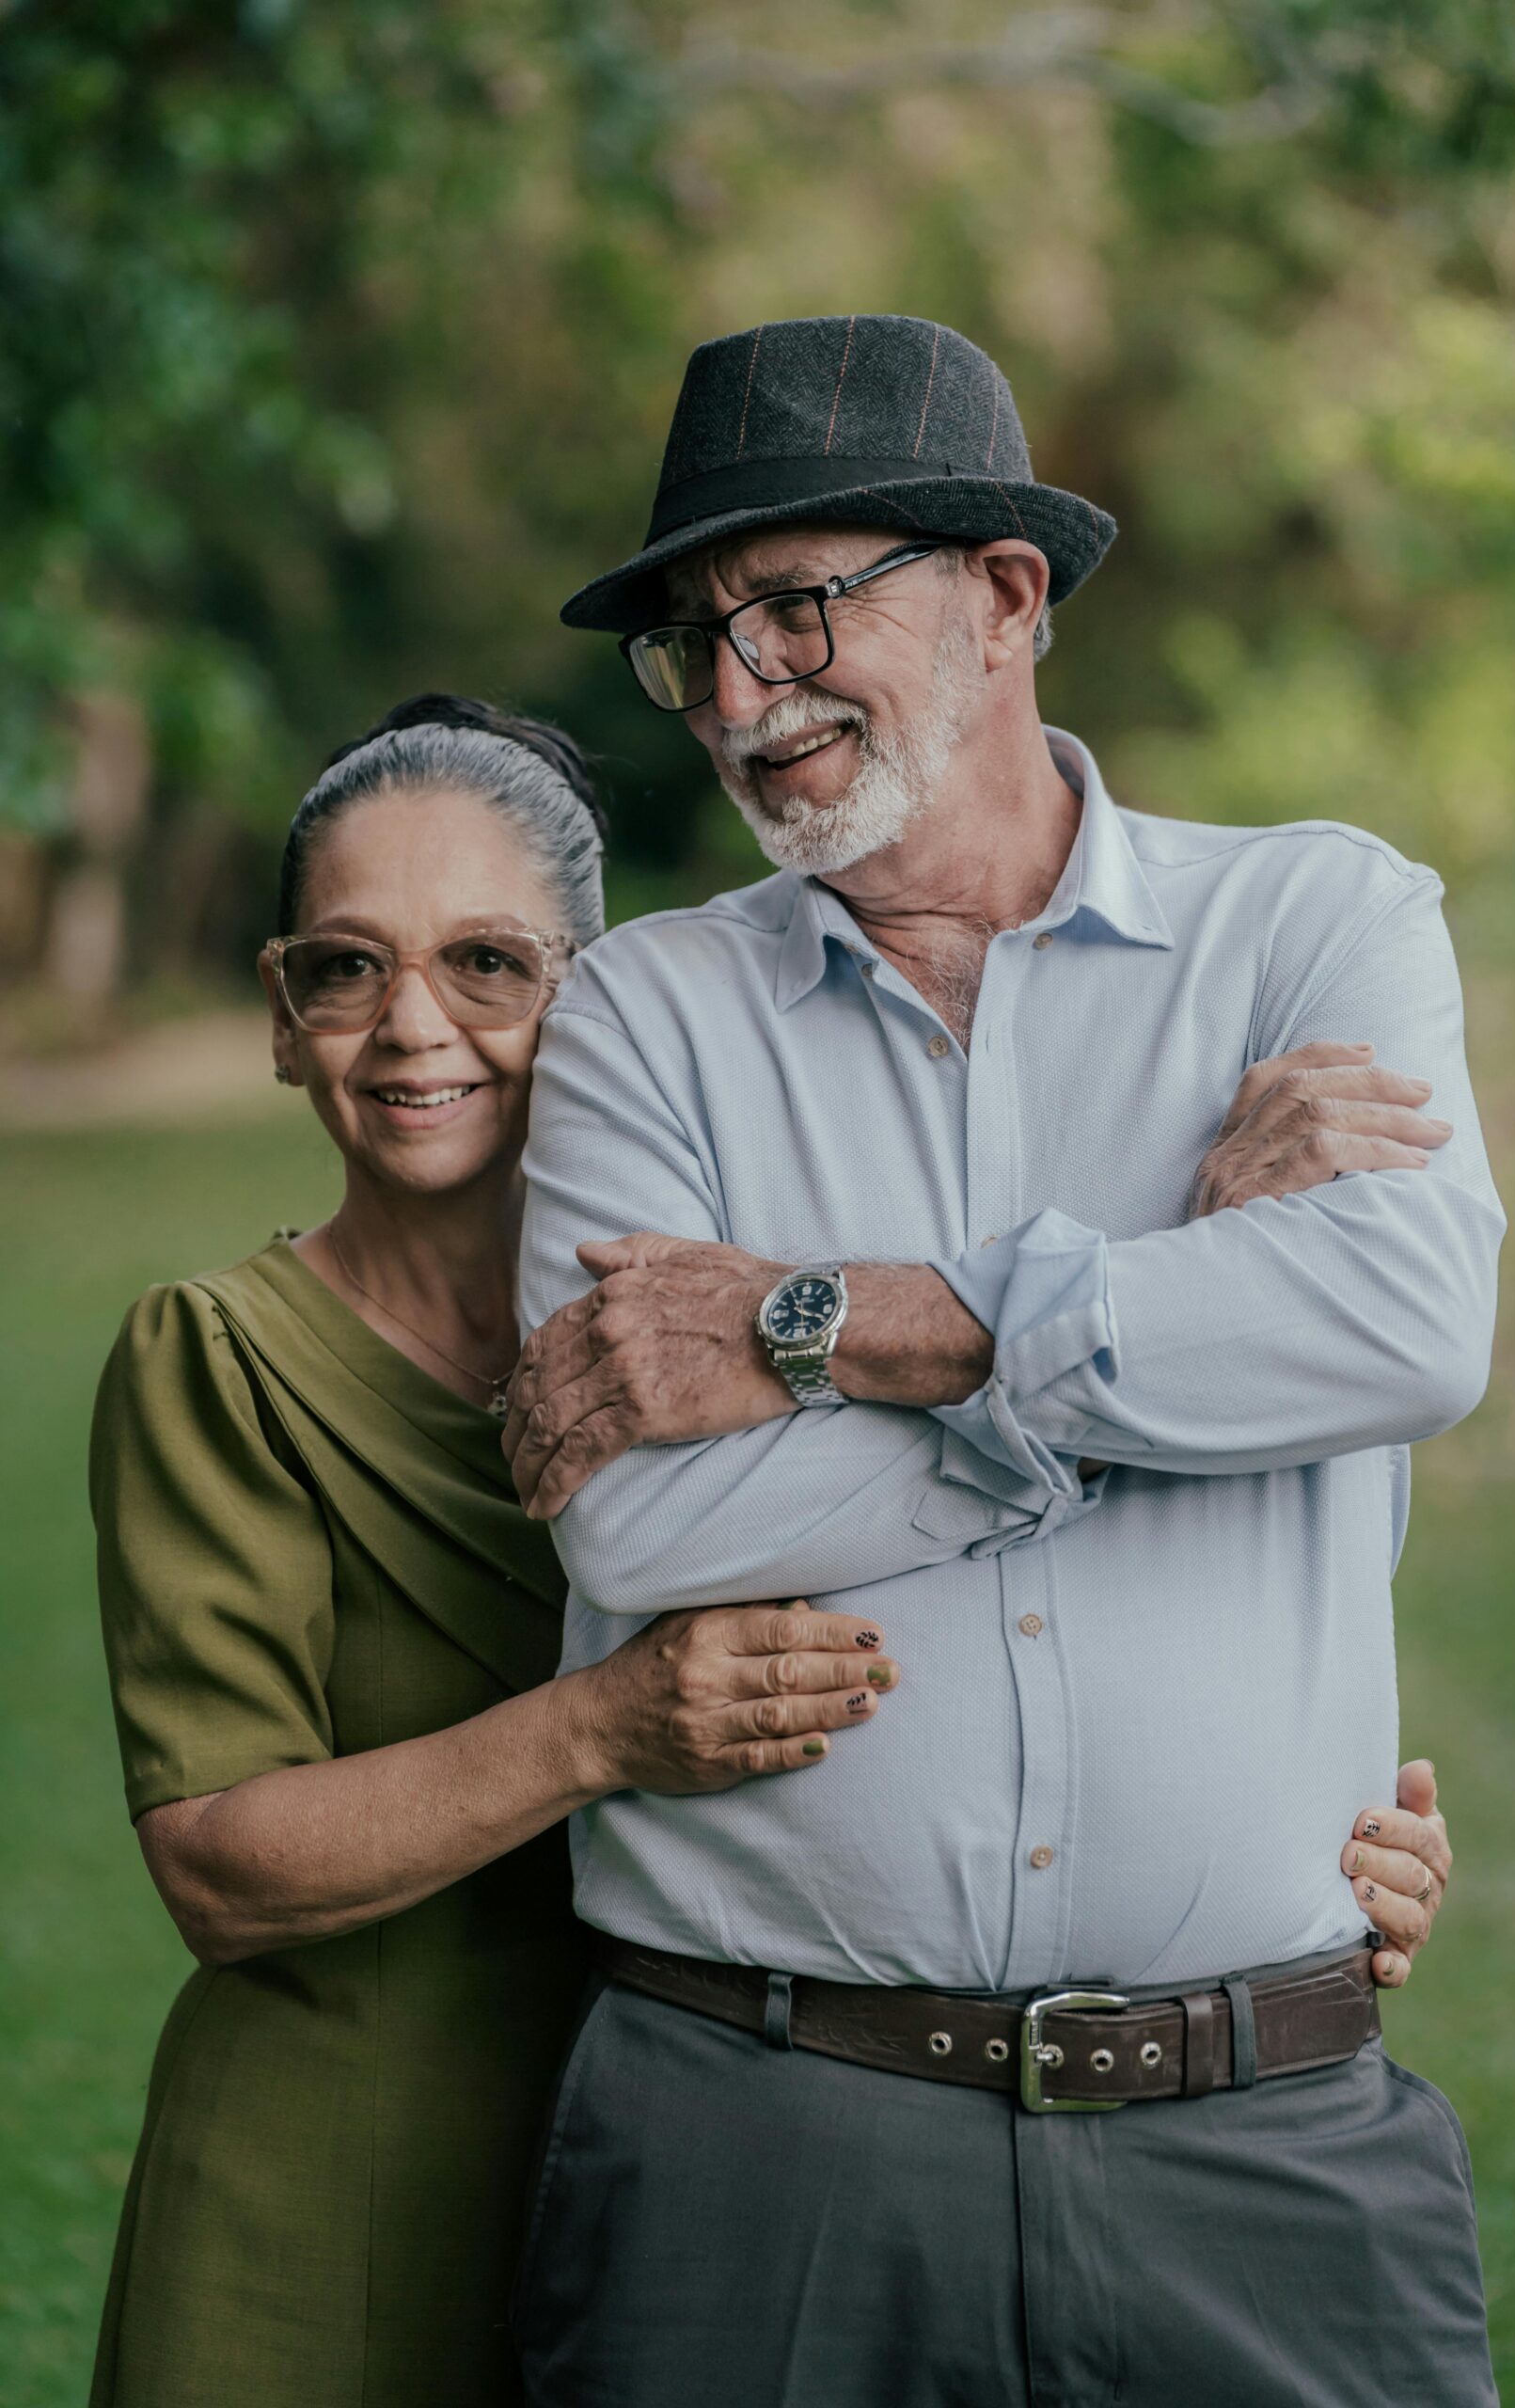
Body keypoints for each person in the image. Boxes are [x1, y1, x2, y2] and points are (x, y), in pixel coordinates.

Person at [503, 316, 1503, 2405]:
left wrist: (835, 1327)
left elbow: (1402, 1328)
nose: (741, 684)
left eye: (798, 602)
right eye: (697, 637)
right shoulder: (640, 1017)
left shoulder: (1315, 925)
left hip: (1262, 2132)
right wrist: (1169, 1305)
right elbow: (644, 1514)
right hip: (755, 2136)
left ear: (1006, 594)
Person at [87, 694, 912, 2408]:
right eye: (344, 967)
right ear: (277, 1010)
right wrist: (607, 1725)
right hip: (335, 2199)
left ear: (590, 996)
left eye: (486, 962)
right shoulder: (217, 1362)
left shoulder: (740, 1320)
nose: (410, 1030)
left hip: (708, 2175)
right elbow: (219, 1868)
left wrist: (1307, 1854)